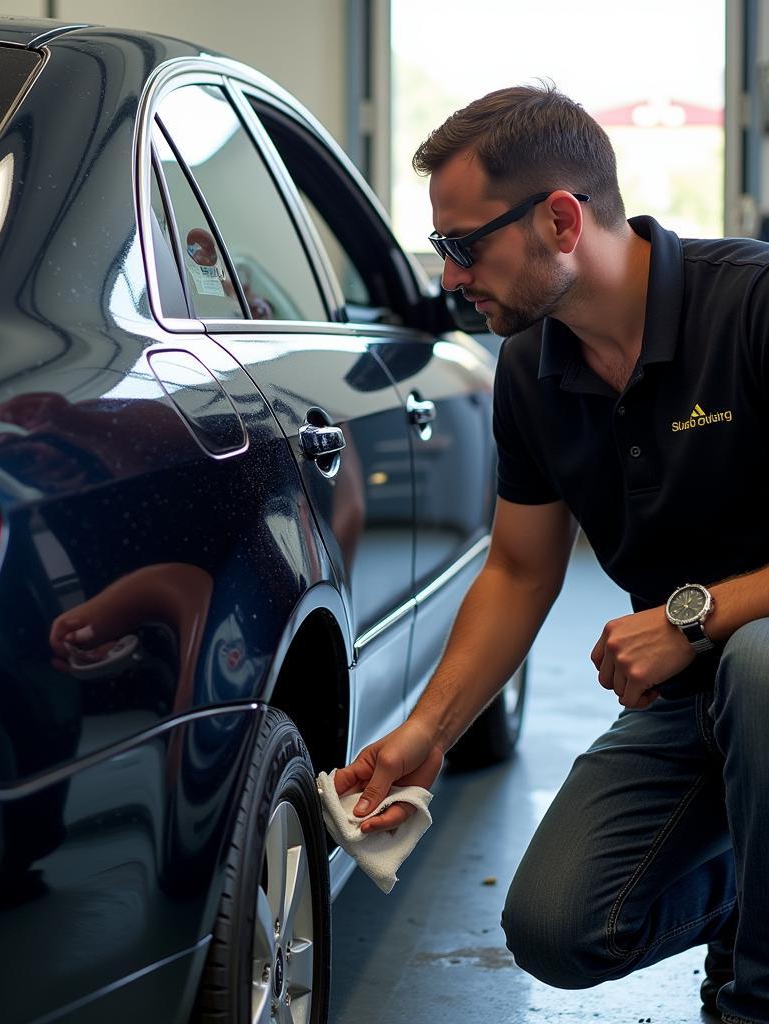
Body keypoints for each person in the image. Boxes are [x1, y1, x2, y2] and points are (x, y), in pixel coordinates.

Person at [333, 82, 769, 1024]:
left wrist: (696, 618)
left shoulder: (755, 306)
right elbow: (522, 569)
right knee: (559, 929)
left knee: (763, 662)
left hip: (755, 667)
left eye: (462, 246)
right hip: (696, 700)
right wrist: (430, 731)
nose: (449, 277)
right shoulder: (531, 369)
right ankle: (755, 895)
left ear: (561, 220)